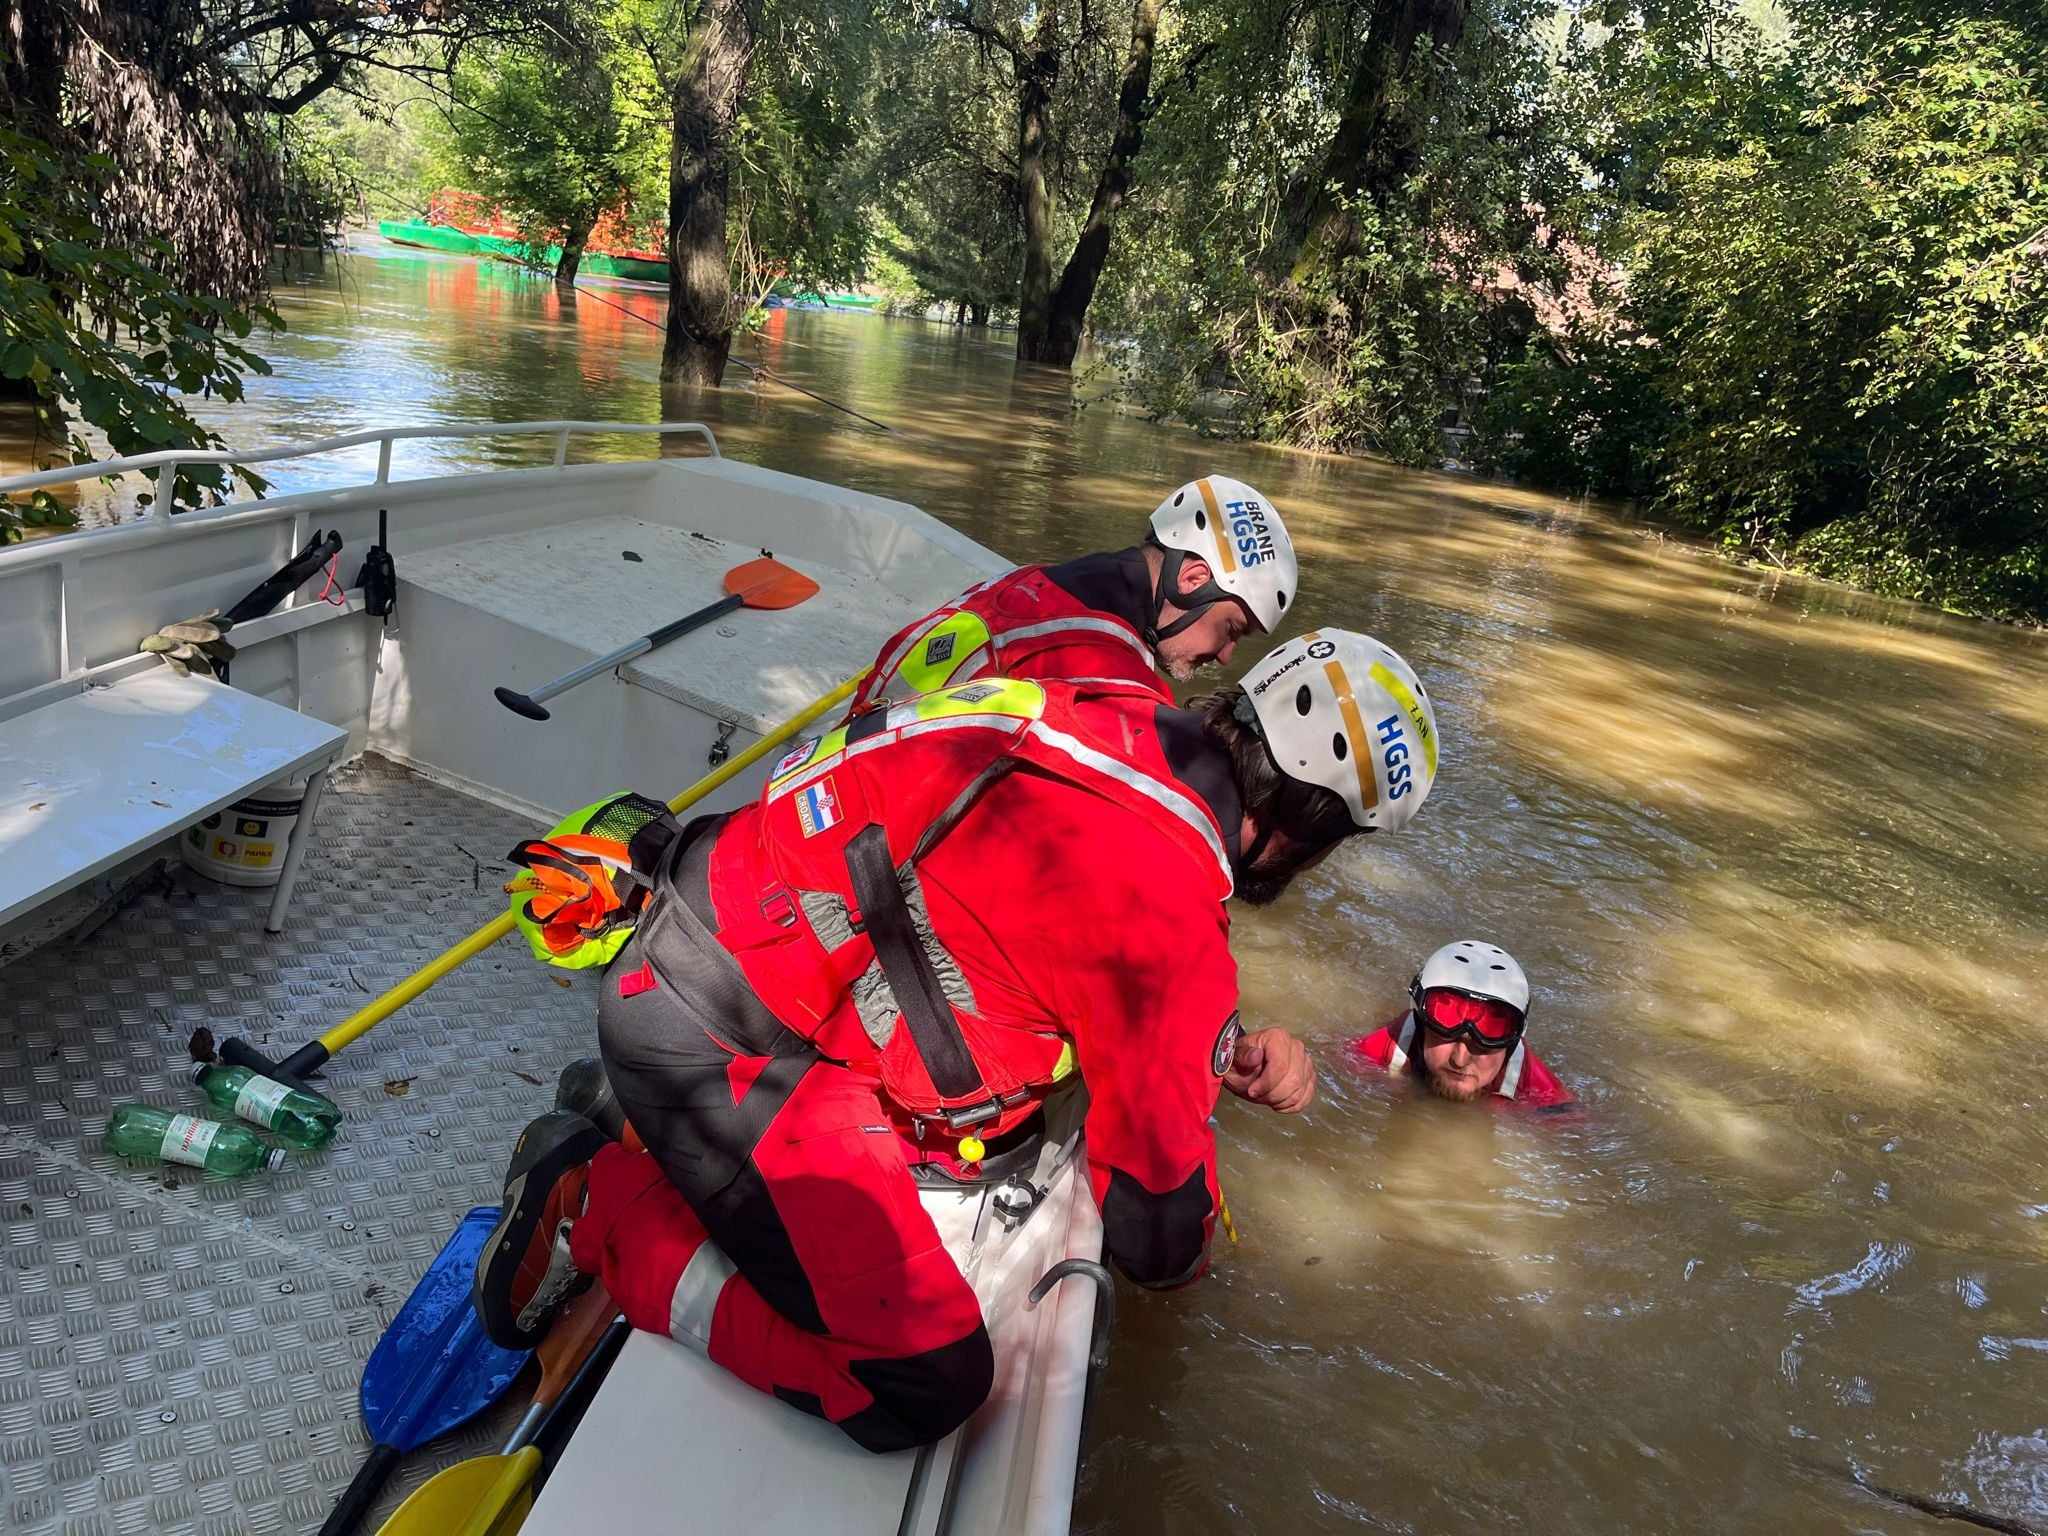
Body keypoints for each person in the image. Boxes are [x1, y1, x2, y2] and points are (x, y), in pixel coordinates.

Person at [475, 628, 1440, 1453]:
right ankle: (593, 1195)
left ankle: (631, 1111)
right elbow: (1153, 1235)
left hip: (713, 940)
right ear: (1305, 831)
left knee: (996, 1106)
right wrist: (1199, 1260)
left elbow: (1024, 933)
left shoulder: (1107, 702)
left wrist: (1213, 1046)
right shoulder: (1167, 919)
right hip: (721, 1042)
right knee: (925, 1385)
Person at [846, 475, 1297, 715]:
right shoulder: (1119, 682)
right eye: (1232, 629)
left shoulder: (1037, 580)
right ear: (1194, 579)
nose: (1225, 657)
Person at [1350, 940, 1573, 1109]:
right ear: (1421, 1023)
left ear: (1512, 1043)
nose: (1460, 1059)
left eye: (1483, 1046)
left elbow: (1573, 1126)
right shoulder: (1381, 1051)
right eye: (1445, 1036)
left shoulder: (1542, 1094)